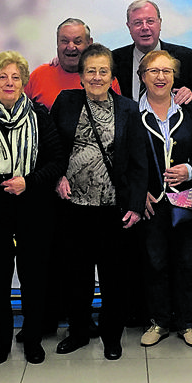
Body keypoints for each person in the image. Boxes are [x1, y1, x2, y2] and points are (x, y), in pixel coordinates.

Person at [51, 43, 147, 360]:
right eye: (90, 70)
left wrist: (135, 205)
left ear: (112, 76)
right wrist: (57, 177)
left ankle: (112, 336)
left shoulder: (128, 110)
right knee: (75, 276)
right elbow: (50, 149)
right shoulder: (65, 102)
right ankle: (78, 331)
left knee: (114, 279)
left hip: (113, 210)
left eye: (102, 70)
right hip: (73, 208)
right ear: (80, 76)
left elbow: (138, 162)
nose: (96, 76)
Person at [0, 51, 66, 365]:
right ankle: (0, 341)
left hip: (34, 205)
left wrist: (28, 181)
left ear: (25, 82)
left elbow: (56, 161)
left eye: (15, 77)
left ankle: (33, 339)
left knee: (34, 277)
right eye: (3, 77)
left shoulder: (40, 116)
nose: (9, 82)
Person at [137, 50, 192, 348]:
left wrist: (190, 169)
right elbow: (124, 159)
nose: (161, 76)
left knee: (187, 262)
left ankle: (186, 322)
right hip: (151, 202)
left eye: (167, 71)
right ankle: (160, 321)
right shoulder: (130, 112)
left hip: (186, 201)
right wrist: (138, 193)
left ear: (175, 77)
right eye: (153, 71)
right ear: (143, 77)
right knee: (155, 263)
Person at [112, 0, 192, 105]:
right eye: (138, 23)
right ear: (129, 27)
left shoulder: (186, 58)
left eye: (150, 21)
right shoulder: (114, 59)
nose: (144, 27)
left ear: (160, 24)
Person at [25, 18, 121, 110]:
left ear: (89, 43)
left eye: (77, 42)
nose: (71, 47)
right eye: (65, 41)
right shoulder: (38, 76)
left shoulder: (105, 79)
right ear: (57, 43)